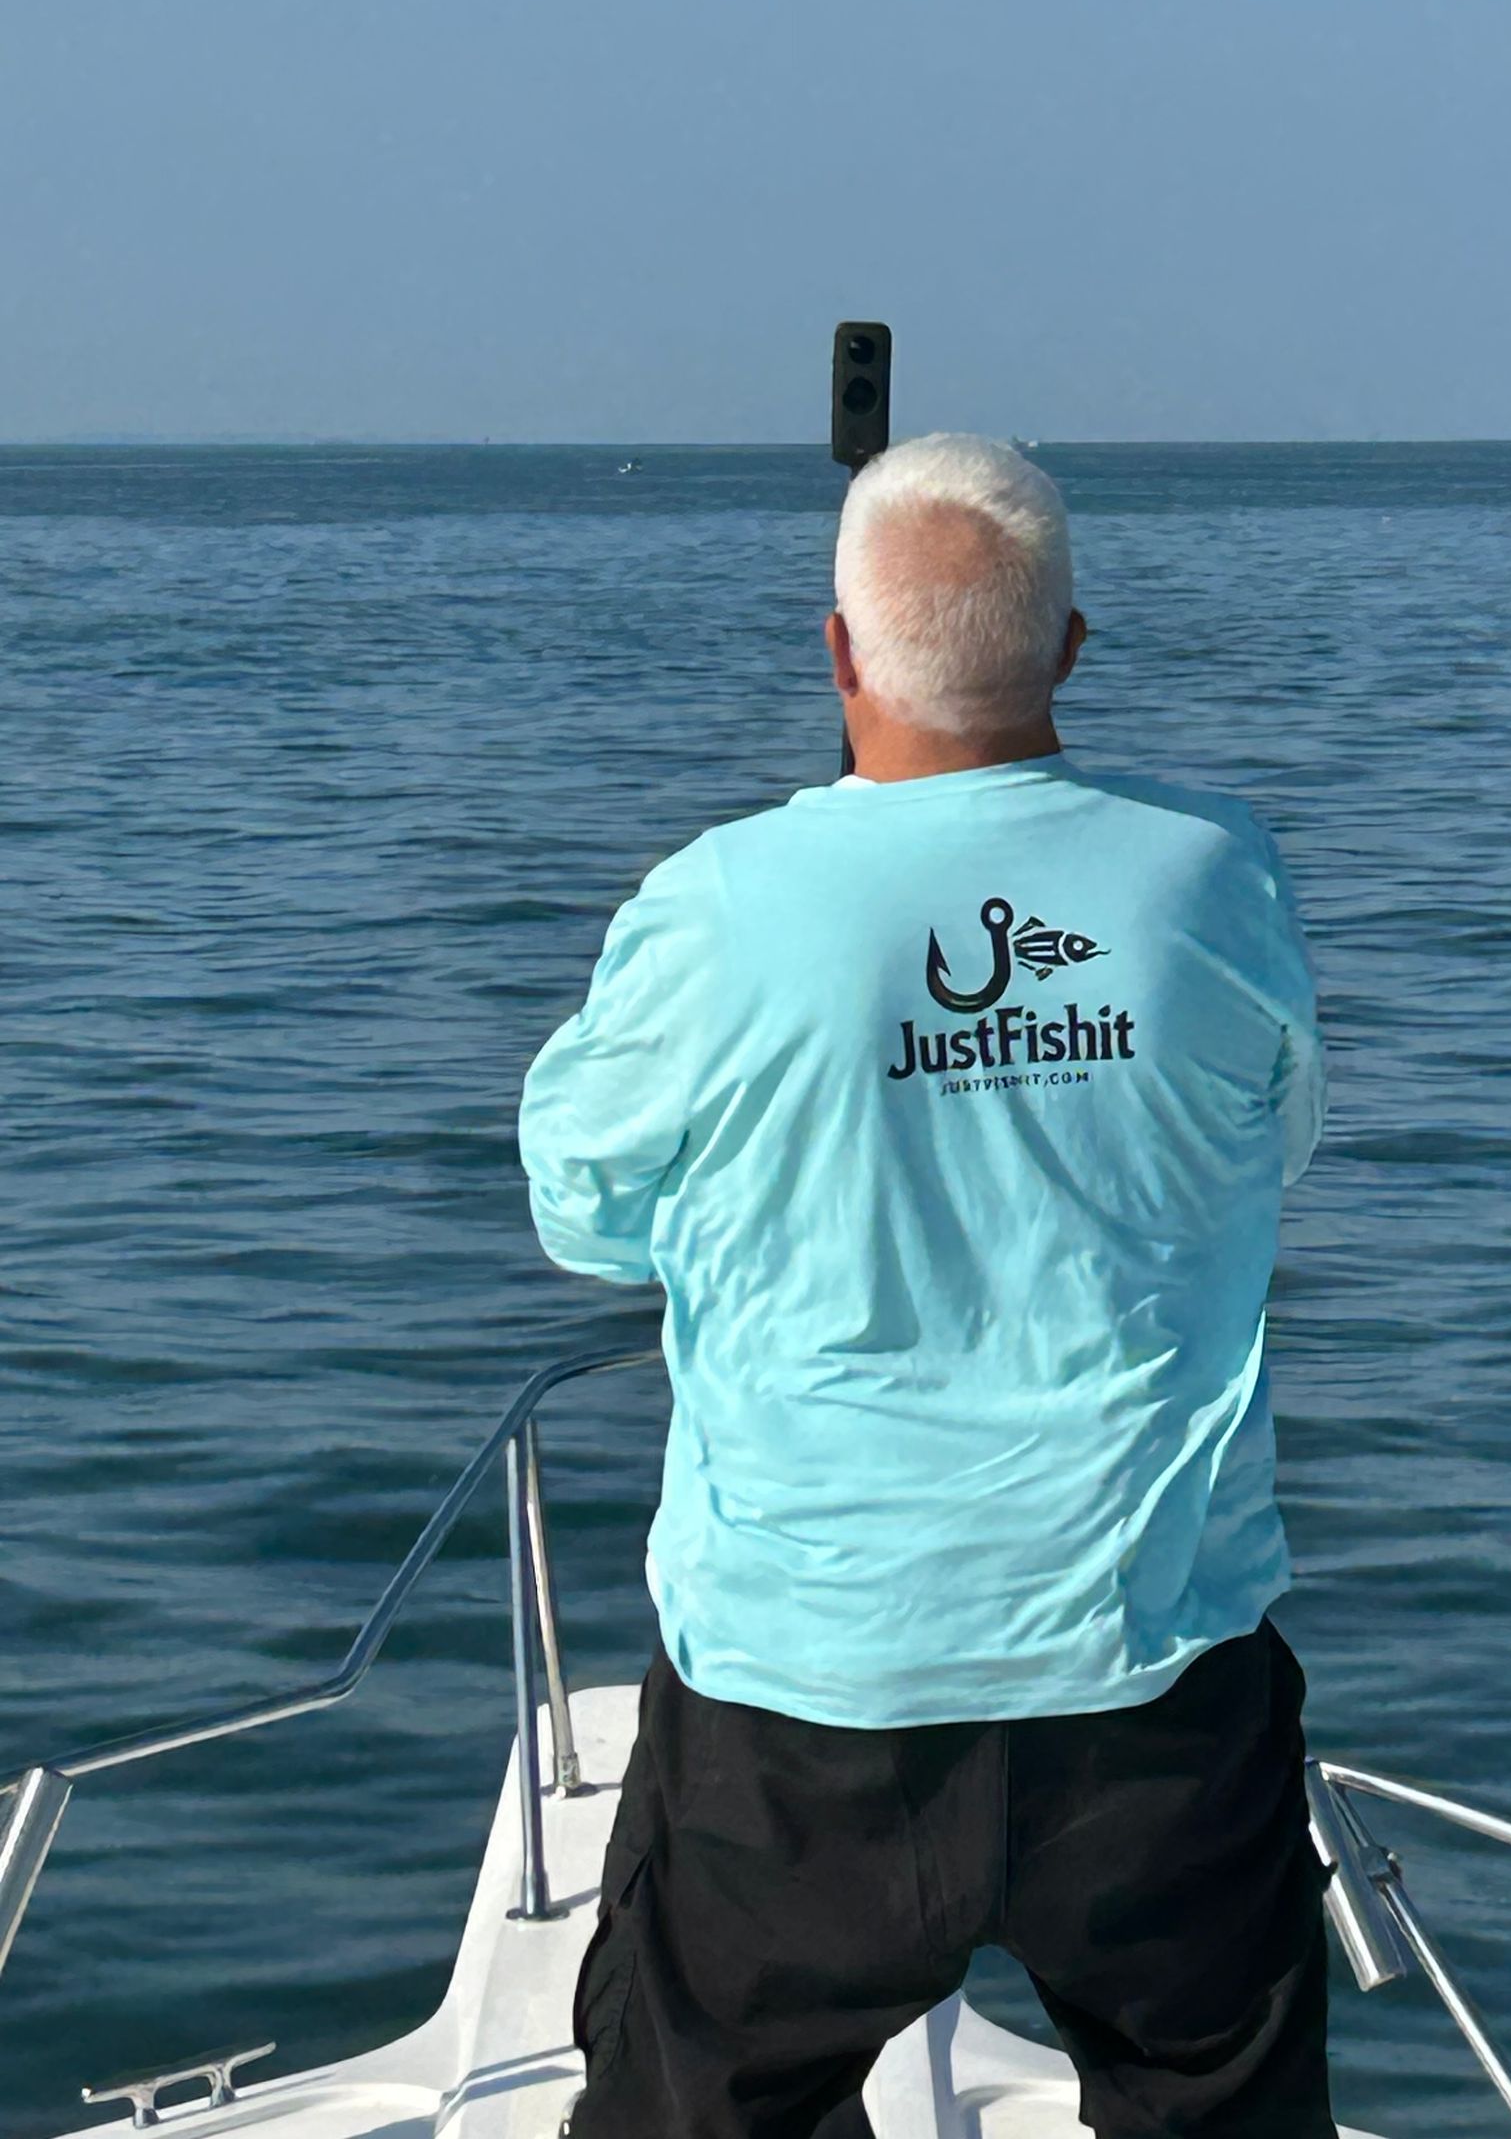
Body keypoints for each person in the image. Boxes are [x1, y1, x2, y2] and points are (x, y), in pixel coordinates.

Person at [519, 433, 1333, 2139]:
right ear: (1070, 647)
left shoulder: (718, 904)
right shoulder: (1212, 871)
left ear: (837, 653)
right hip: (1157, 1661)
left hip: (812, 1686)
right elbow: (1273, 1149)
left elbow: (584, 1215)